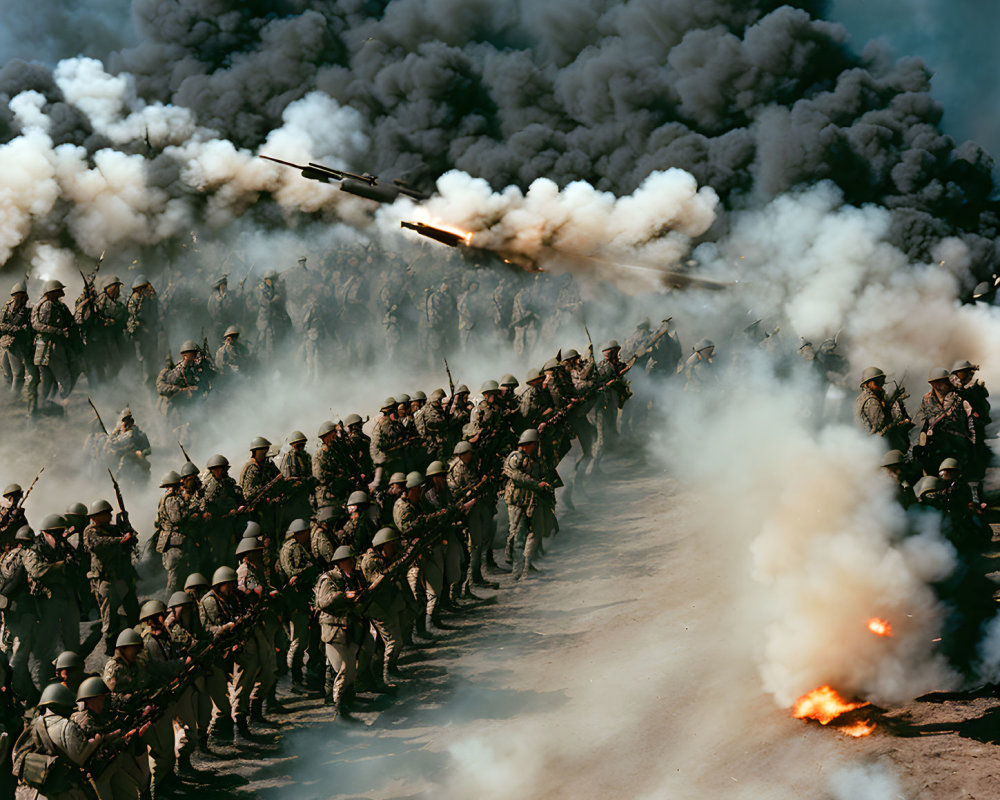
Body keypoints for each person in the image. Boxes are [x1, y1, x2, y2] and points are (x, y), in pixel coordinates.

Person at [12, 683, 98, 800]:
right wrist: (98, 739)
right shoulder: (65, 725)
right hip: (60, 792)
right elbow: (81, 757)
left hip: (33, 792)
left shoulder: (33, 725)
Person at [314, 545, 366, 717]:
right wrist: (345, 596)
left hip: (350, 628)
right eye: (347, 560)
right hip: (333, 631)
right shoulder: (328, 579)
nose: (351, 563)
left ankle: (348, 702)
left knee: (351, 668)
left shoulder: (352, 577)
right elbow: (323, 601)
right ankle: (340, 710)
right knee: (343, 669)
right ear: (339, 562)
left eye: (352, 560)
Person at [83, 499, 139, 656]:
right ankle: (109, 651)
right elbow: (98, 544)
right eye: (107, 513)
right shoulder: (90, 531)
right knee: (110, 619)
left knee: (133, 609)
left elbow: (127, 536)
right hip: (106, 580)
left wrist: (127, 527)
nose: (110, 516)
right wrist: (121, 540)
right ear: (97, 516)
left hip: (120, 577)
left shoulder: (110, 529)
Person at [502, 429, 554, 580]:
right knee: (517, 535)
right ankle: (516, 570)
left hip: (532, 501)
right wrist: (537, 484)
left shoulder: (536, 459)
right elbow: (517, 476)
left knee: (534, 533)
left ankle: (527, 567)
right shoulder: (515, 457)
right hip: (517, 502)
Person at [854, 366, 912, 453]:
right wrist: (899, 424)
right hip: (878, 444)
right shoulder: (872, 401)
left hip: (867, 442)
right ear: (867, 384)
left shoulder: (861, 398)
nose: (881, 387)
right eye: (877, 383)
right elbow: (881, 428)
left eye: (881, 383)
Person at [0, 282, 31, 396]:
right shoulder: (7, 308)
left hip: (19, 342)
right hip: (9, 342)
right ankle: (13, 397)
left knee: (13, 372)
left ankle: (12, 395)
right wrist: (17, 328)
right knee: (14, 372)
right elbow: (1, 325)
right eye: (20, 295)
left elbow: (28, 326)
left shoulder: (26, 309)